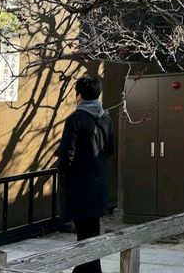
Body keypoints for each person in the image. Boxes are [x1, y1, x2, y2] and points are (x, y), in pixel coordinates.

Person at [56, 74, 114, 273]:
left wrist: (64, 176)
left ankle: (86, 271)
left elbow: (66, 154)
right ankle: (87, 270)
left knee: (83, 233)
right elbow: (110, 148)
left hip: (79, 185)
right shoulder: (105, 118)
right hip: (98, 184)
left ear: (79, 95)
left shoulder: (75, 119)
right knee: (91, 232)